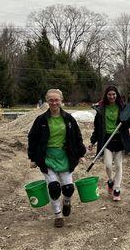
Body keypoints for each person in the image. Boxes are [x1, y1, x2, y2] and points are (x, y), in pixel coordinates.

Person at [28, 89, 86, 228]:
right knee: (54, 187)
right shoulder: (41, 120)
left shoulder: (69, 119)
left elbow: (77, 137)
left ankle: (66, 201)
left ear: (61, 100)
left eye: (56, 100)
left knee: (68, 188)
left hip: (65, 156)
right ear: (47, 101)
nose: (54, 103)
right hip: (47, 157)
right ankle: (58, 215)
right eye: (51, 100)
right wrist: (33, 158)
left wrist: (81, 154)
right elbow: (32, 138)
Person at [88, 86, 130, 202]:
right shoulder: (101, 109)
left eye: (114, 94)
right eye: (109, 94)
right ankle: (110, 180)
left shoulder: (123, 107)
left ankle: (117, 189)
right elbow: (97, 128)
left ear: (117, 95)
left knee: (118, 166)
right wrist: (92, 141)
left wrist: (126, 120)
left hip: (120, 140)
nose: (112, 96)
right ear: (106, 95)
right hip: (106, 141)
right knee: (108, 165)